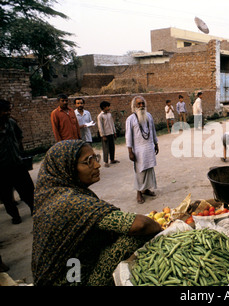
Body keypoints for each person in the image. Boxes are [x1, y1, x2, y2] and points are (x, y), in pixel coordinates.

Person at [32, 140, 162, 286]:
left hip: (66, 271)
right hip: (73, 281)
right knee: (134, 238)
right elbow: (140, 225)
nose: (97, 165)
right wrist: (161, 229)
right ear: (67, 167)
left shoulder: (51, 195)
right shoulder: (72, 202)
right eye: (88, 161)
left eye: (96, 158)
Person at [0, 99, 34, 224]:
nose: (8, 113)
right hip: (2, 169)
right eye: (5, 111)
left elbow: (19, 137)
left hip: (17, 164)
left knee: (28, 190)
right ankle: (15, 215)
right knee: (6, 195)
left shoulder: (11, 123)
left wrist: (19, 152)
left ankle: (33, 208)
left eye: (9, 110)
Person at [125, 96, 159, 204]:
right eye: (139, 104)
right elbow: (128, 136)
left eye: (142, 103)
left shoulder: (149, 116)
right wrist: (130, 151)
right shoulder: (130, 119)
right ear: (134, 106)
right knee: (140, 171)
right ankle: (139, 193)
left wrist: (156, 143)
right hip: (138, 150)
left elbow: (153, 131)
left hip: (149, 147)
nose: (141, 106)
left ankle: (146, 189)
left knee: (149, 170)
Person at [97, 101, 119, 168]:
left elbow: (112, 124)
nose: (109, 108)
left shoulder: (109, 114)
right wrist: (103, 135)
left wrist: (114, 132)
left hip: (111, 133)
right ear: (104, 107)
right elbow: (100, 126)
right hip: (105, 135)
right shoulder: (100, 116)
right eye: (107, 106)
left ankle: (112, 159)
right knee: (106, 148)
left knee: (112, 147)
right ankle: (106, 162)